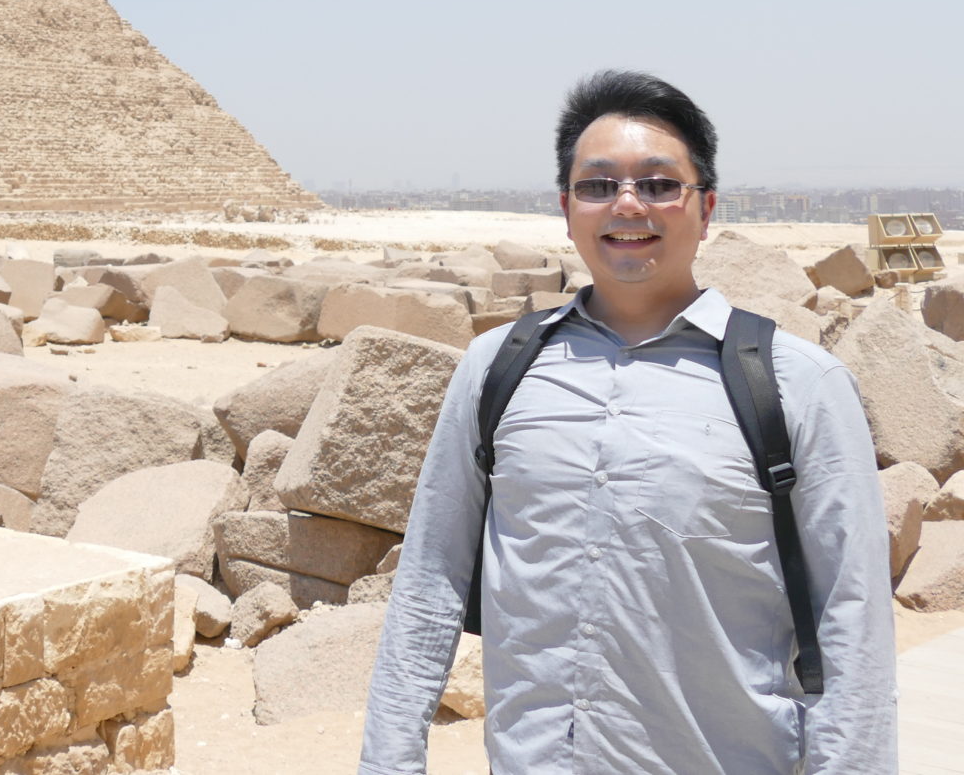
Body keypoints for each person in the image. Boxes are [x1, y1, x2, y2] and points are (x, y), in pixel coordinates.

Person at [359, 69, 895, 773]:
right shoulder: (496, 368)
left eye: (659, 183)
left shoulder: (798, 384)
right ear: (566, 207)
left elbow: (852, 619)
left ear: (706, 207)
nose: (628, 203)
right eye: (598, 184)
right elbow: (430, 580)